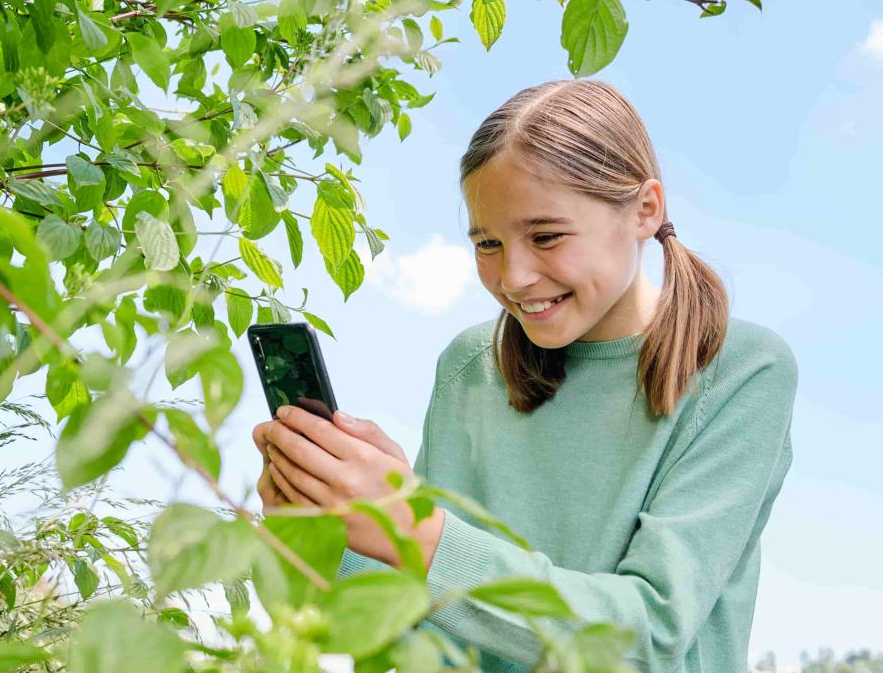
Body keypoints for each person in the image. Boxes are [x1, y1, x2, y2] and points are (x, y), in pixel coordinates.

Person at [251, 80, 798, 673]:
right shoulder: (468, 367)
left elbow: (647, 635)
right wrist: (318, 534)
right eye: (487, 243)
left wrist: (413, 529)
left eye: (546, 237)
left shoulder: (740, 369)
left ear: (646, 210)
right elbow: (410, 619)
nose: (513, 276)